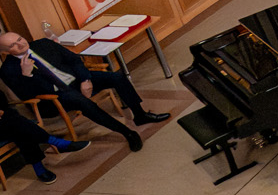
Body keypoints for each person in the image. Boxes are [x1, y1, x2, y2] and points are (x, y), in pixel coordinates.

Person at [0, 28, 167, 151]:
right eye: (13, 45)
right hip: (53, 98)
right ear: (6, 51)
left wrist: (85, 80)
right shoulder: (8, 69)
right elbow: (28, 96)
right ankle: (127, 132)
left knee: (116, 77)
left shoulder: (44, 44)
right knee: (80, 101)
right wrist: (27, 76)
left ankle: (140, 115)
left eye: (20, 39)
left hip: (76, 80)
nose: (20, 44)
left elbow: (74, 60)